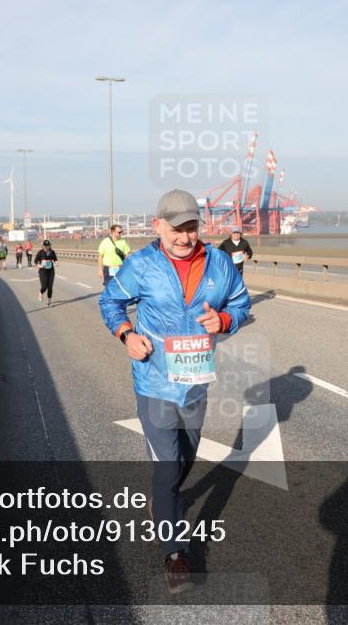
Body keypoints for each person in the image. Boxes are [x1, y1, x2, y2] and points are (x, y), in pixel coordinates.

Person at [99, 189, 251, 594]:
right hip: (154, 382)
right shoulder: (141, 264)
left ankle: (164, 497)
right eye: (177, 228)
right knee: (167, 467)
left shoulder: (219, 263)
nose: (185, 237)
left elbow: (240, 303)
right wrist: (126, 333)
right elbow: (110, 302)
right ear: (158, 226)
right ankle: (175, 553)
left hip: (196, 383)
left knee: (186, 458)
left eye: (192, 227)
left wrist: (224, 319)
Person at [34, 239, 58, 307]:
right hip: (43, 271)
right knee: (44, 286)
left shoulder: (52, 252)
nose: (46, 247)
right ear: (43, 246)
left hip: (51, 271)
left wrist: (56, 263)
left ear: (49, 246)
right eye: (45, 246)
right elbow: (35, 261)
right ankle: (40, 293)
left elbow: (55, 260)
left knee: (50, 287)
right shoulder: (40, 252)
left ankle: (49, 302)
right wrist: (40, 265)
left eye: (47, 246)